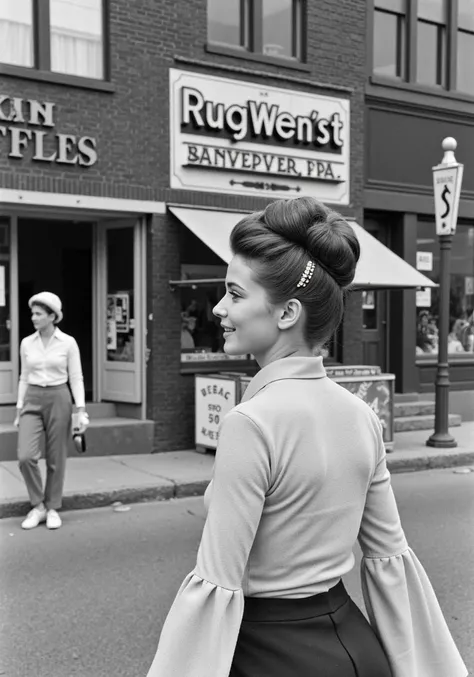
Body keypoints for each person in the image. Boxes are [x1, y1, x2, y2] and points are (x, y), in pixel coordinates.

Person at [145, 197, 467, 677]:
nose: (218, 308)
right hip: (357, 646)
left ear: (287, 312)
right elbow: (389, 559)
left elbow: (216, 582)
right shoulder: (362, 415)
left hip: (268, 653)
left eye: (235, 294)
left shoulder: (250, 423)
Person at [13, 292, 89, 530]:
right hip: (32, 398)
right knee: (25, 457)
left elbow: (76, 377)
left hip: (59, 396)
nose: (33, 317)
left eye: (38, 314)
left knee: (56, 457)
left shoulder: (68, 342)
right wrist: (18, 408)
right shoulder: (27, 343)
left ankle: (53, 507)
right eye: (33, 313)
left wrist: (81, 409)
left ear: (52, 316)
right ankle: (38, 505)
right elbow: (24, 377)